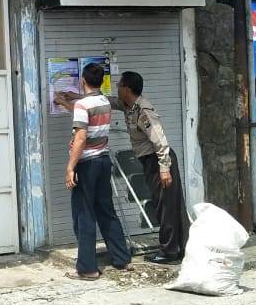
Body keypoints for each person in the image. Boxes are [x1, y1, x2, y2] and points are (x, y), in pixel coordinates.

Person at [59, 71, 189, 265]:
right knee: (165, 204)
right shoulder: (128, 105)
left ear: (127, 89)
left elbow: (160, 140)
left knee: (166, 206)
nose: (117, 88)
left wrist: (164, 168)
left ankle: (169, 251)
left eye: (119, 85)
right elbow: (107, 101)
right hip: (150, 160)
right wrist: (76, 97)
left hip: (159, 160)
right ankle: (180, 248)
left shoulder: (143, 110)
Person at [62, 62, 131, 279]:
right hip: (103, 161)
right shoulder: (104, 102)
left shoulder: (83, 105)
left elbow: (81, 137)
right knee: (106, 210)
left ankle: (87, 268)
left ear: (83, 80)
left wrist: (70, 167)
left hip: (87, 164)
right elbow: (85, 114)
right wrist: (67, 101)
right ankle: (121, 259)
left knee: (84, 215)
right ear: (101, 81)